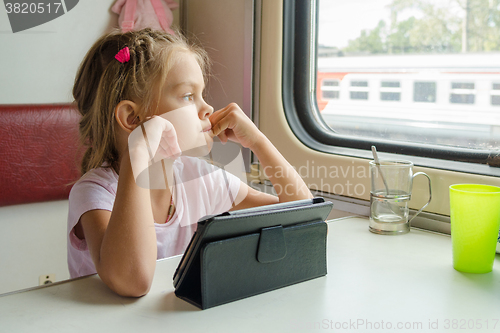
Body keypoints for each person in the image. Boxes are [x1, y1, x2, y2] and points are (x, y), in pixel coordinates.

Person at [67, 28, 313, 297]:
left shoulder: (199, 178)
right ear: (132, 118)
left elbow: (302, 219)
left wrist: (259, 143)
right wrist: (135, 156)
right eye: (188, 96)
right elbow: (133, 281)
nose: (207, 108)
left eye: (202, 94)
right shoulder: (94, 194)